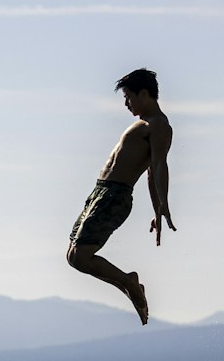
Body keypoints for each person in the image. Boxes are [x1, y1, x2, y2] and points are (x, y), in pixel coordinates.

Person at [65, 67, 174, 323]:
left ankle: (130, 284)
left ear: (144, 93)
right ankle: (129, 285)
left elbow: (157, 166)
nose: (126, 103)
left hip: (115, 196)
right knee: (73, 256)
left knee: (81, 257)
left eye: (128, 97)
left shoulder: (159, 125)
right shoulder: (140, 124)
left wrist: (162, 205)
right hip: (99, 193)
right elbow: (150, 172)